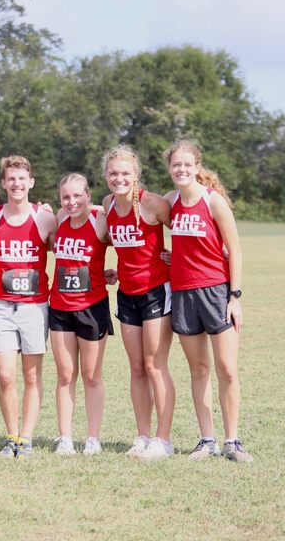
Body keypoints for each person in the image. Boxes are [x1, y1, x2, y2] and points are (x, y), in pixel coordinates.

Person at [163, 138, 252, 462]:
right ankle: (207, 439)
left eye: (187, 164)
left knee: (227, 369)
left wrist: (235, 297)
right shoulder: (170, 201)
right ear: (170, 169)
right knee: (198, 370)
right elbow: (133, 204)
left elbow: (235, 250)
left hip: (216, 293)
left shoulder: (214, 202)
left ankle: (233, 441)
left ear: (197, 167)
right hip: (184, 294)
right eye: (176, 165)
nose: (182, 169)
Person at [101, 145, 177, 460]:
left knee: (154, 365)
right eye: (113, 173)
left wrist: (180, 257)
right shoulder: (106, 205)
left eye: (125, 173)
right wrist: (107, 271)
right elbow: (105, 240)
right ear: (106, 176)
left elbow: (188, 229)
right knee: (136, 367)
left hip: (157, 291)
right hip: (127, 294)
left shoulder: (151, 203)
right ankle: (143, 436)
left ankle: (164, 439)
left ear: (136, 175)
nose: (119, 179)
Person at [0, 156, 57, 458]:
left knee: (30, 376)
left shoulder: (44, 218)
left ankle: (26, 438)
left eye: (22, 179)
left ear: (31, 182)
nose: (16, 184)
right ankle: (11, 435)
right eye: (11, 179)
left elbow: (67, 248)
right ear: (3, 183)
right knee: (5, 375)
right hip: (1, 305)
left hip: (35, 307)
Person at [48, 173, 115, 456]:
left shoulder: (99, 219)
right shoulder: (59, 219)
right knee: (65, 375)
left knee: (91, 375)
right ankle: (65, 438)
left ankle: (92, 438)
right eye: (66, 196)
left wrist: (114, 273)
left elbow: (131, 245)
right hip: (60, 308)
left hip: (92, 307)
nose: (72, 201)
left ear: (88, 195)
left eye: (77, 195)